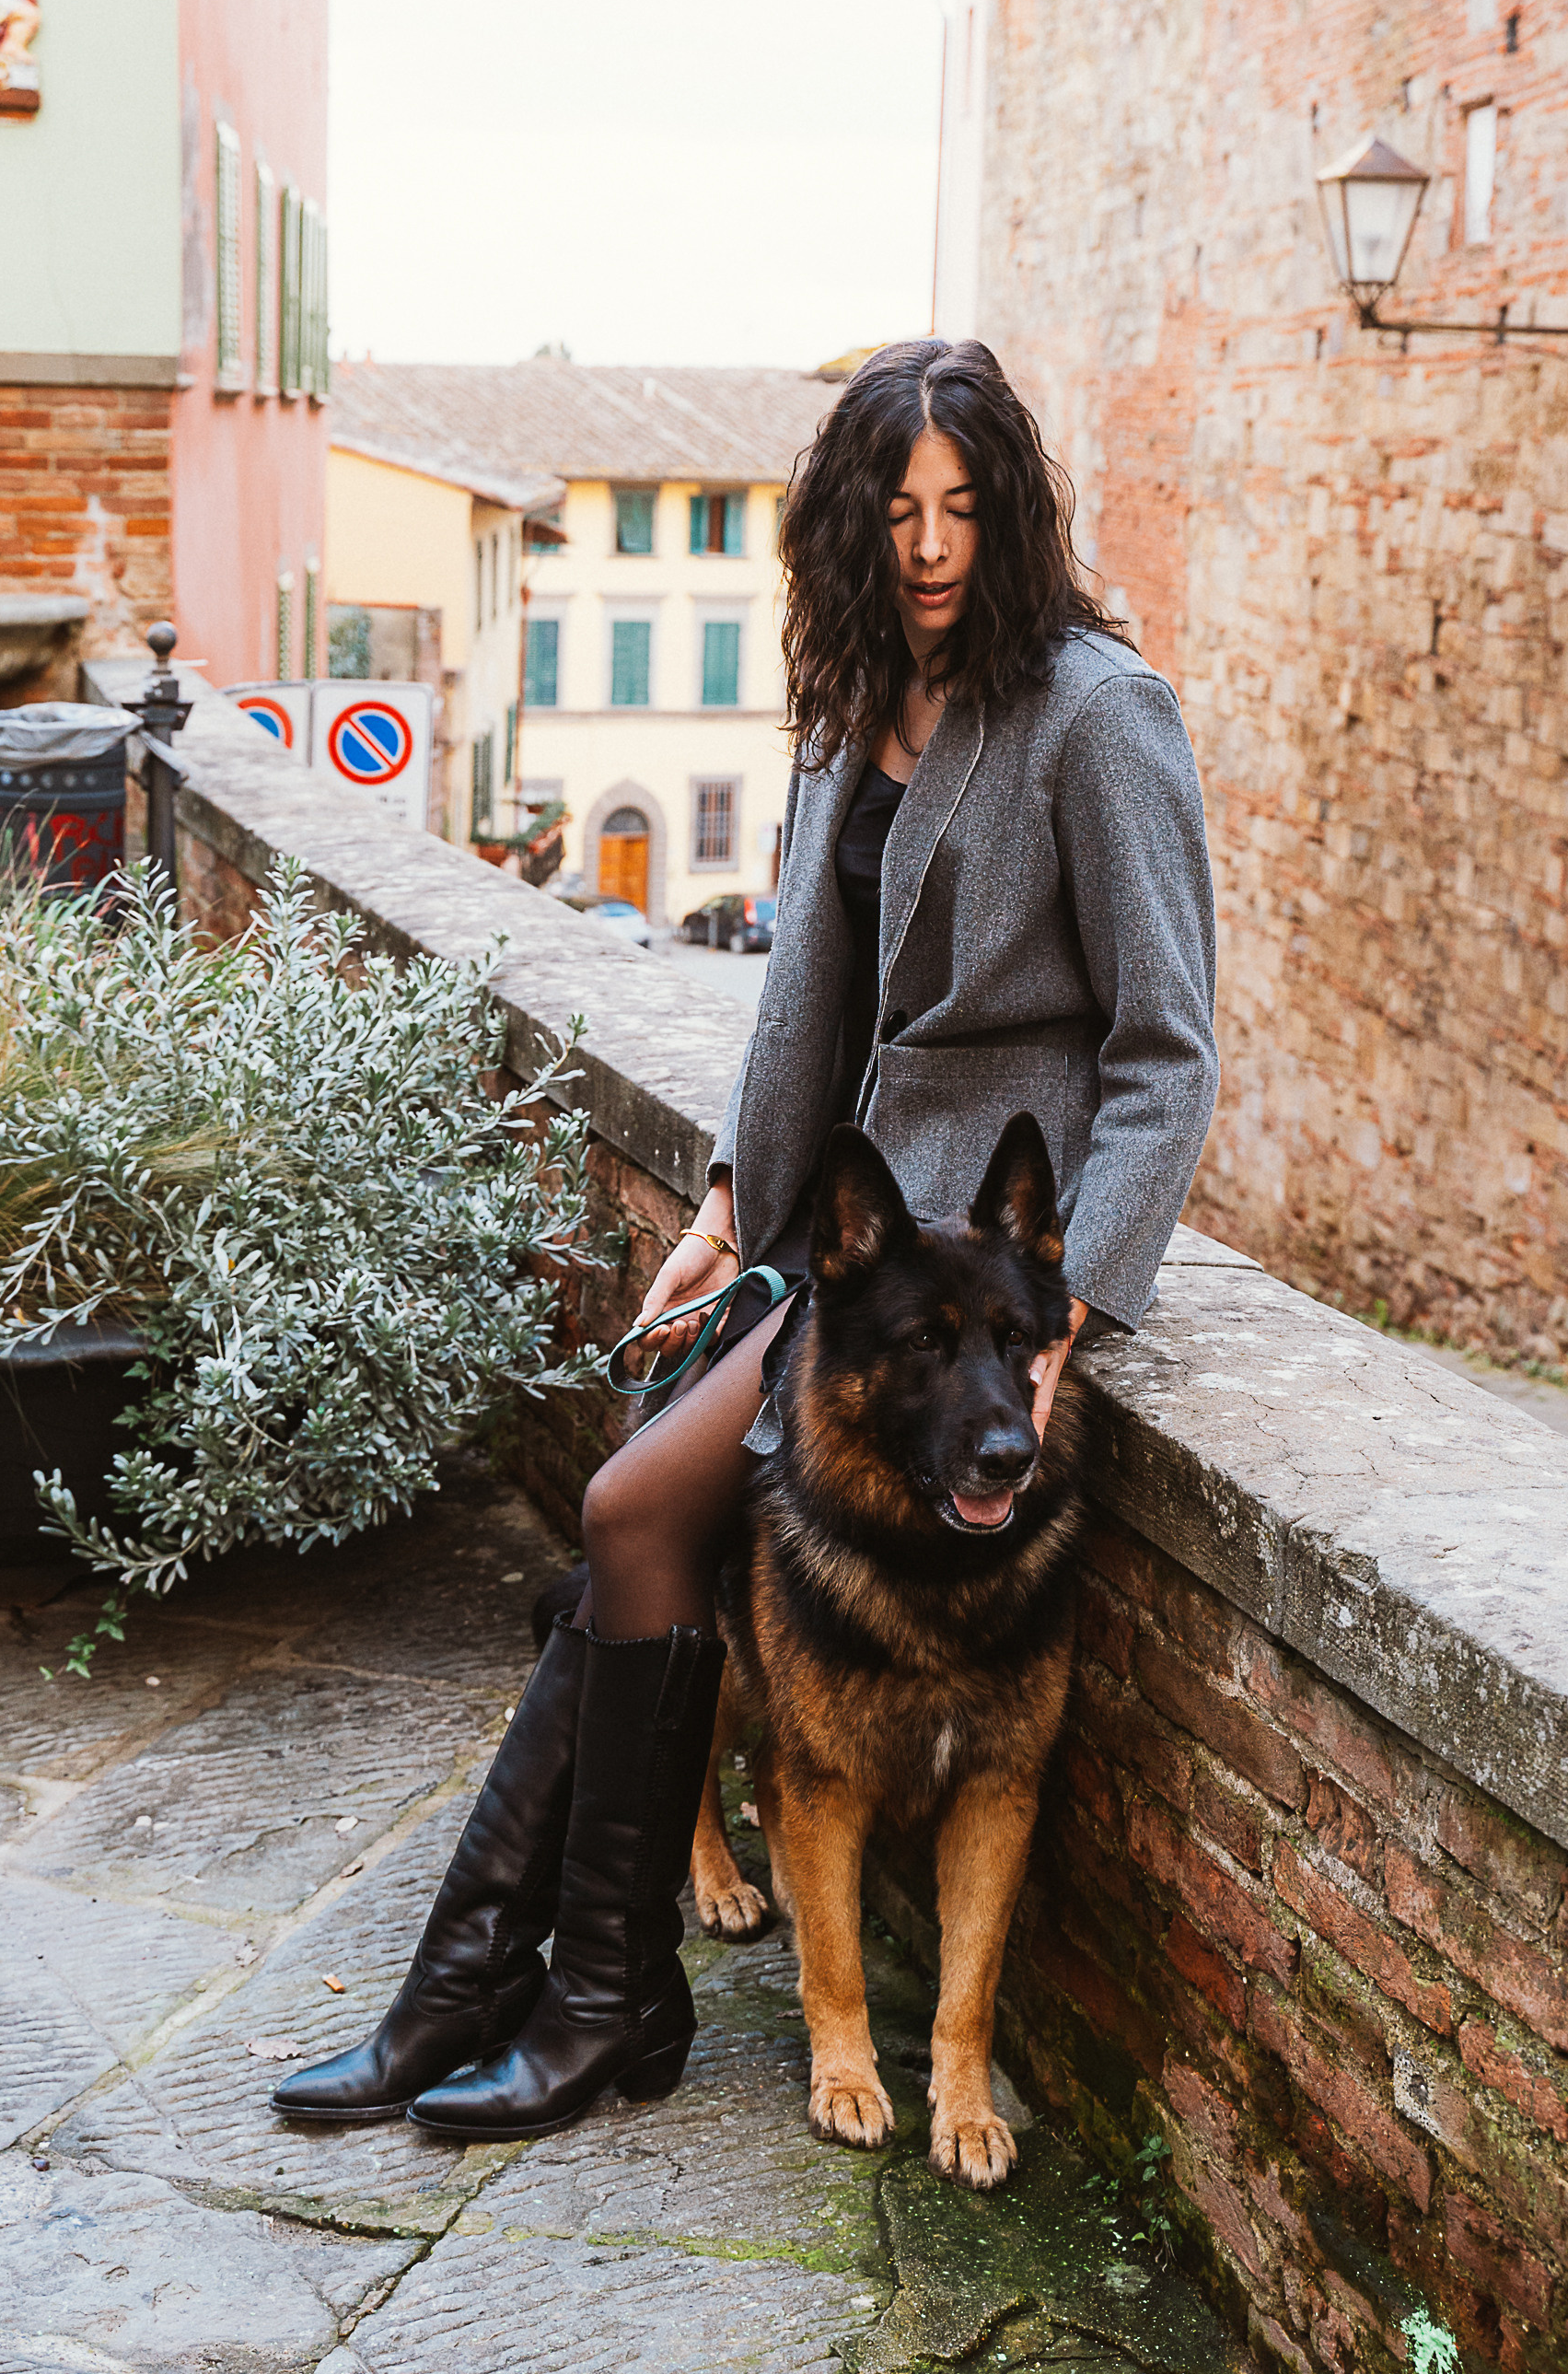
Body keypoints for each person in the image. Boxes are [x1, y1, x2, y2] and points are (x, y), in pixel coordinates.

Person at [273, 337, 1220, 2142]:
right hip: (831, 1245)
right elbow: (807, 1000)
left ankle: (568, 1997)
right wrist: (724, 1208)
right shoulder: (847, 694)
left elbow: (1166, 1047)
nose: (928, 544)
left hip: (959, 1276)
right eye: (893, 509)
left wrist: (1057, 1303)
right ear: (843, 525)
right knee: (632, 1521)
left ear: (1006, 509)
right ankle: (500, 1993)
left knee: (632, 1510)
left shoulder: (1093, 712)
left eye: (958, 508)